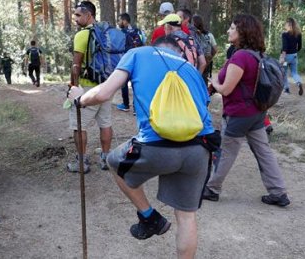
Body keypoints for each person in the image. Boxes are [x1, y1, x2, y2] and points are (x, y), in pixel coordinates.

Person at [67, 36, 216, 259]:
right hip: (200, 148)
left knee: (114, 162)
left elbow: (104, 93)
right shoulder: (191, 69)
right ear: (178, 51)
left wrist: (80, 99)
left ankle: (149, 217)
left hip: (156, 145)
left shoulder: (139, 53)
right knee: (186, 217)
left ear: (157, 46)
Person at [202, 14, 290, 207]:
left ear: (242, 32)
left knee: (226, 152)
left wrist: (214, 81)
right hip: (257, 112)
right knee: (263, 151)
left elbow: (225, 89)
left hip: (239, 114)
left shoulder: (240, 57)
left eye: (232, 28)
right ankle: (278, 192)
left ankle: (212, 188)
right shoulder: (257, 54)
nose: (228, 31)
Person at [67, 0, 113, 172]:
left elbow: (76, 65)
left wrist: (73, 86)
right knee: (105, 123)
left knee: (79, 125)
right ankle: (106, 159)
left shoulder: (82, 35)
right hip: (106, 85)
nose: (75, 18)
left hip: (87, 87)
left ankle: (82, 163)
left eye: (78, 15)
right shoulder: (106, 33)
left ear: (89, 15)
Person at [116, 12, 145, 112]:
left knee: (124, 83)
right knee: (135, 84)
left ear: (124, 21)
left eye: (119, 20)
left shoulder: (121, 33)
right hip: (138, 61)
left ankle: (125, 104)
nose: (118, 22)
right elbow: (143, 43)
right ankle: (136, 108)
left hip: (126, 60)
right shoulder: (137, 31)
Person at [279, 17, 304, 95]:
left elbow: (285, 47)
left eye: (286, 23)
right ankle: (299, 82)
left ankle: (286, 90)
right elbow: (299, 46)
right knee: (294, 72)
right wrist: (295, 52)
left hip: (286, 57)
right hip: (294, 56)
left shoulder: (285, 34)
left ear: (288, 24)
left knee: (284, 72)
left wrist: (283, 57)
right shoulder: (298, 34)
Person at [192, 14, 218, 82]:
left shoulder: (192, 34)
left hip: (196, 60)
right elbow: (215, 49)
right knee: (204, 80)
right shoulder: (209, 35)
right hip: (207, 60)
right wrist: (210, 57)